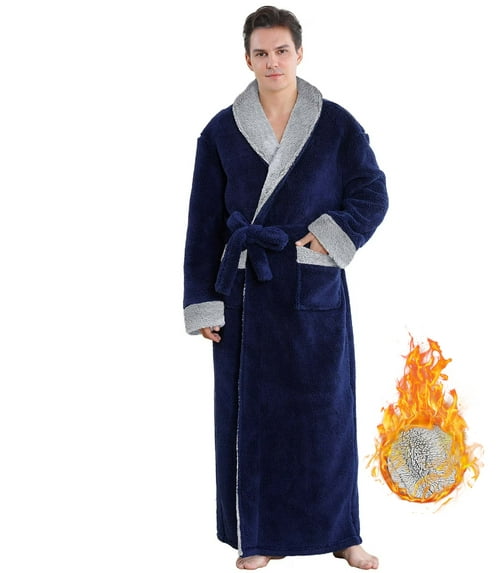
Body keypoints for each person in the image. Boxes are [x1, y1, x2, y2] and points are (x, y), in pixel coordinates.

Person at [183, 6, 388, 570]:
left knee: (328, 417)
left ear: (300, 53)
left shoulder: (337, 125)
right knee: (254, 419)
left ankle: (343, 534)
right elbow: (203, 223)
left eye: (281, 50)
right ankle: (260, 536)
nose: (272, 61)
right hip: (246, 296)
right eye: (261, 53)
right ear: (246, 59)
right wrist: (203, 302)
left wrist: (332, 236)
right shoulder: (221, 132)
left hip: (312, 290)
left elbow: (372, 193)